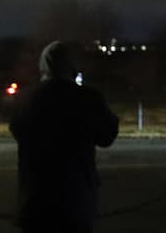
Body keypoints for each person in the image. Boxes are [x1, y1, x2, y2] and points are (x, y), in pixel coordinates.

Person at [9, 41, 120, 233]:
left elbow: (17, 130)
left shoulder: (24, 99)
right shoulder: (87, 97)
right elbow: (107, 136)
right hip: (76, 200)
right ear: (71, 65)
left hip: (35, 200)